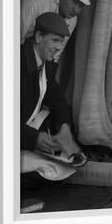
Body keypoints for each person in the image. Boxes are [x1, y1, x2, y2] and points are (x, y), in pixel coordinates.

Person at [21, 12, 86, 183]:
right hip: (8, 137)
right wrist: (33, 138)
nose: (59, 47)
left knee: (62, 166)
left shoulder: (45, 64)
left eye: (61, 42)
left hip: (25, 130)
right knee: (47, 172)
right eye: (55, 40)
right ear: (38, 36)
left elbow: (56, 97)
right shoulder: (16, 63)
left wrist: (64, 128)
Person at [20, 0, 91, 61]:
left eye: (81, 6)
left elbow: (56, 54)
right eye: (74, 2)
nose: (76, 10)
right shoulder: (33, 3)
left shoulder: (72, 19)